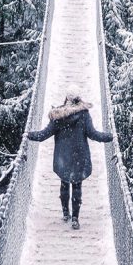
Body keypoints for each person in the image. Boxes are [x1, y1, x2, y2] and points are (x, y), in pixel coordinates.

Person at [28, 84, 113, 230]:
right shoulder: (84, 114)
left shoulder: (57, 116)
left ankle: (65, 213)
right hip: (79, 156)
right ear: (78, 98)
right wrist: (110, 137)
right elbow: (93, 134)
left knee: (64, 183)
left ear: (66, 98)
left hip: (63, 157)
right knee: (77, 185)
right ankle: (75, 218)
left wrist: (29, 135)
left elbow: (43, 135)